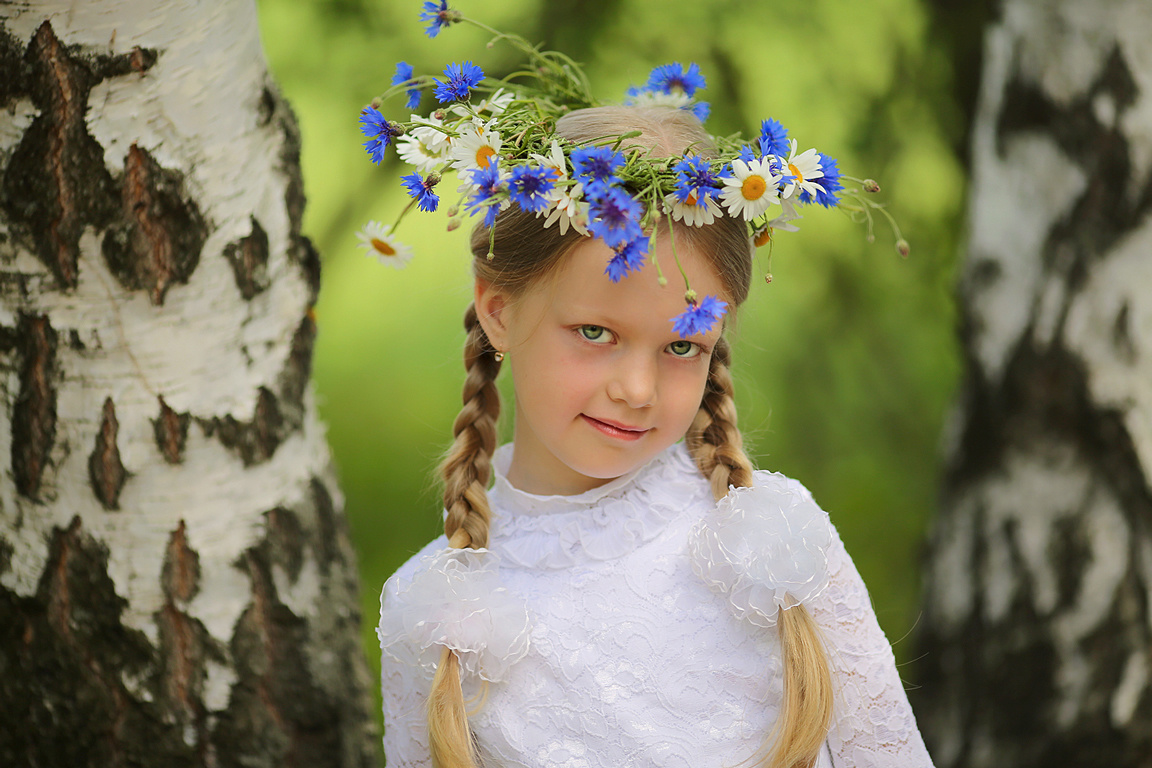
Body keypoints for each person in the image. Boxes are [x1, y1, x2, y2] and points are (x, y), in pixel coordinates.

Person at [363, 8, 932, 767]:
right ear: (499, 308)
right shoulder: (434, 610)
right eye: (595, 334)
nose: (637, 388)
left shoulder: (775, 541)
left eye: (681, 345)